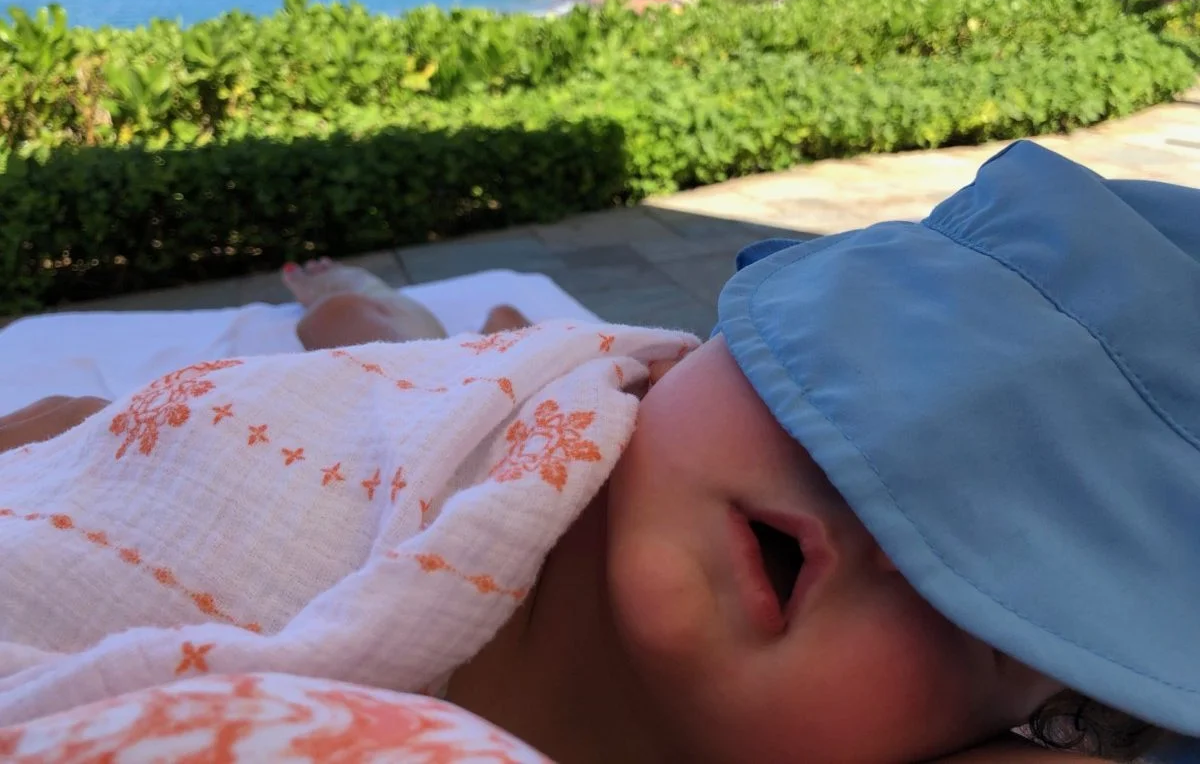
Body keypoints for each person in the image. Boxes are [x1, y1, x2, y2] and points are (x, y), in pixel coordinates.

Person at [0, 140, 1196, 764]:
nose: (890, 510)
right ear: (697, 355)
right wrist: (90, 443)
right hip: (508, 395)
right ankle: (364, 303)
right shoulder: (616, 404)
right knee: (372, 341)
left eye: (1001, 590)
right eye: (874, 382)